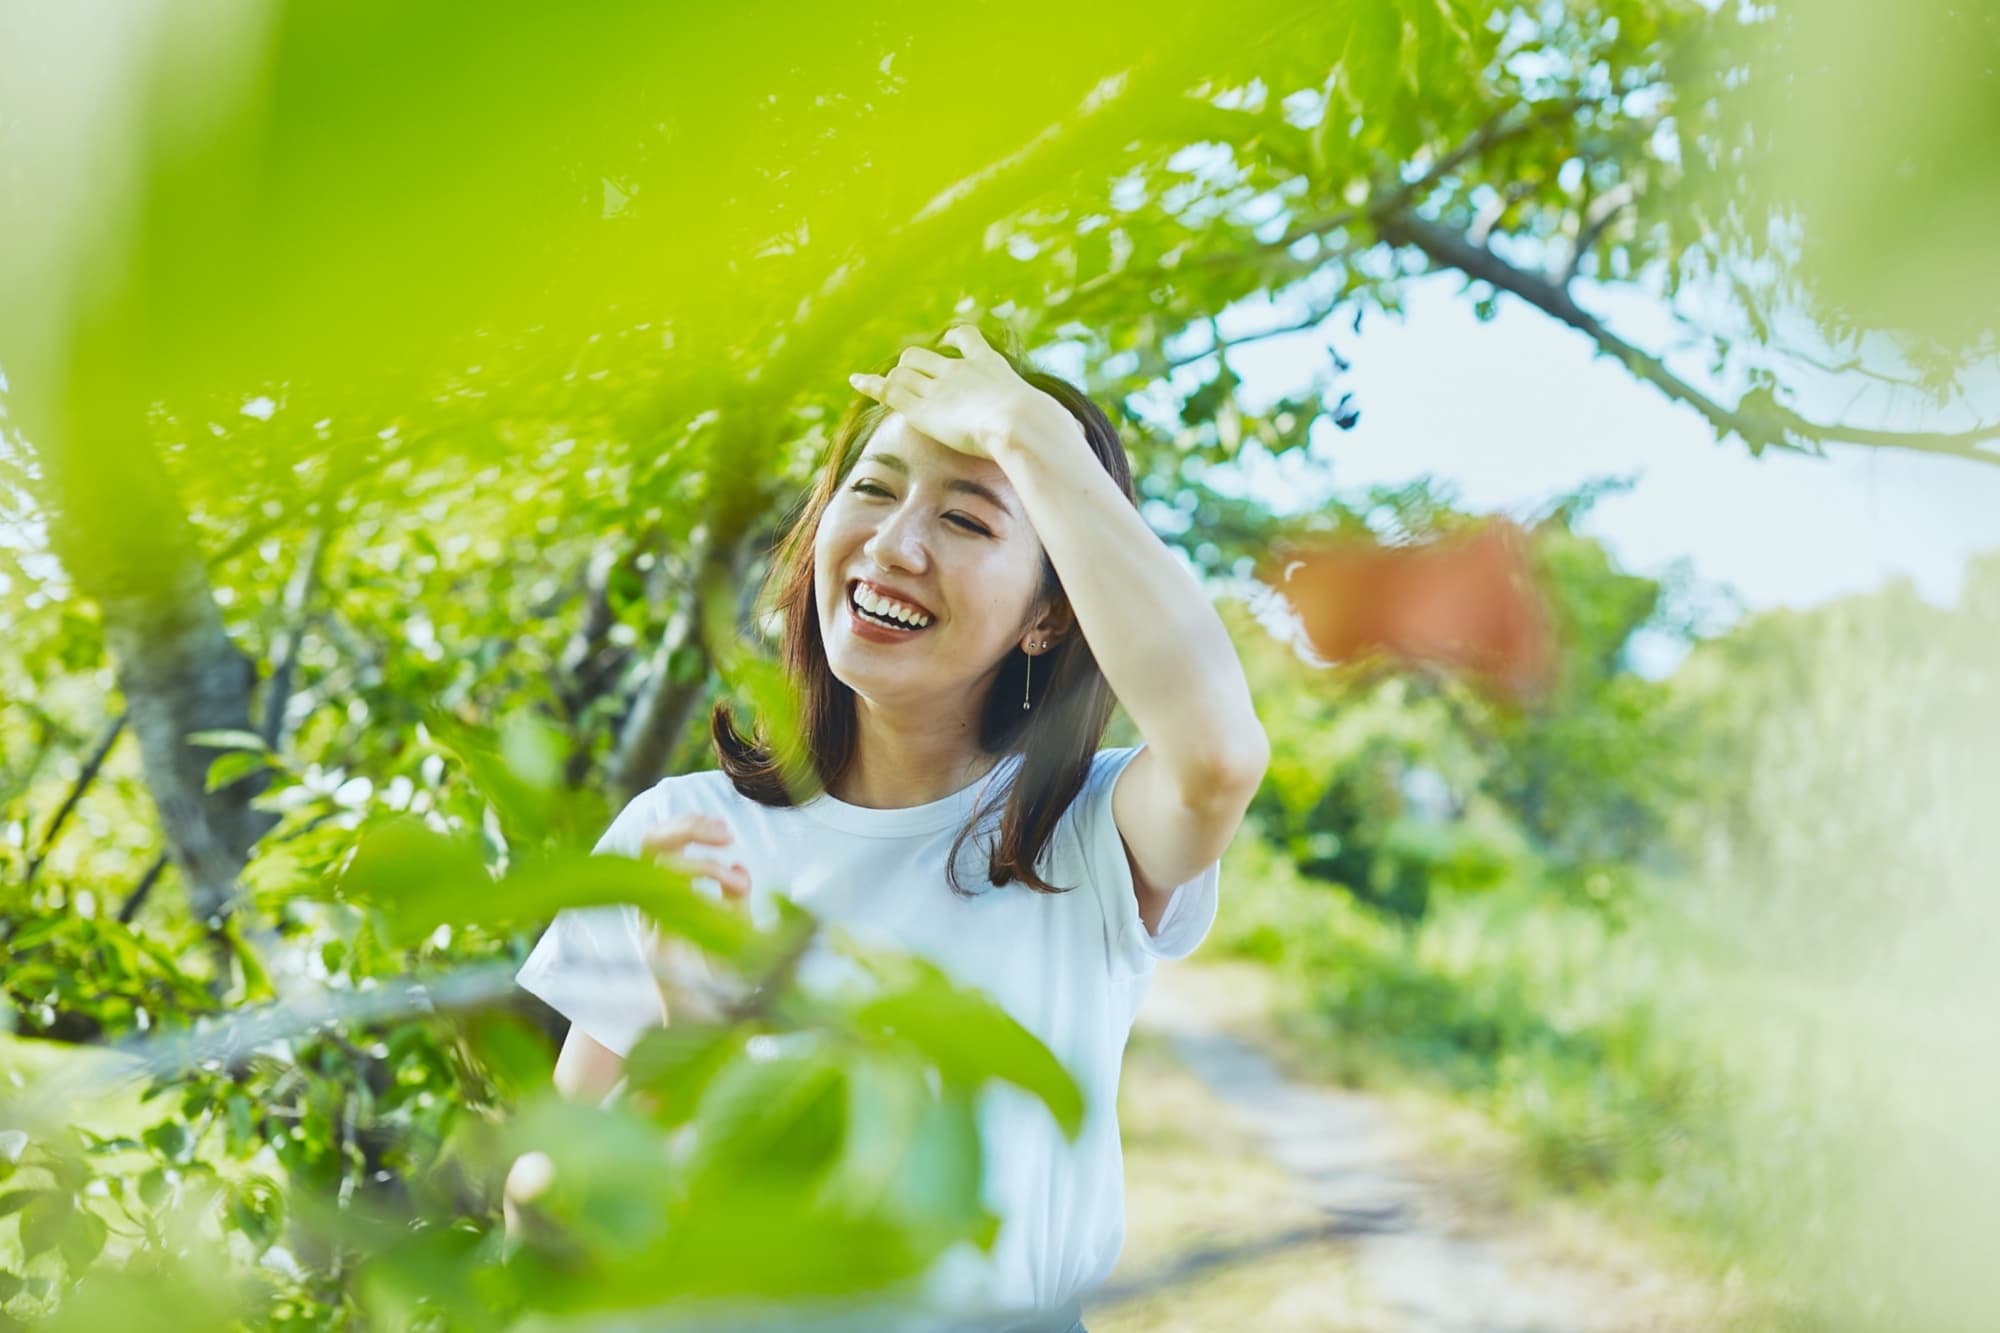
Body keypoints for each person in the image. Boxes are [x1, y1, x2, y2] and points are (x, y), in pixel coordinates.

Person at [510, 323, 1270, 1331]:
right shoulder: (681, 828)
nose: (894, 545)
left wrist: (1023, 426)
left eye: (966, 519)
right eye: (871, 490)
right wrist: (681, 1045)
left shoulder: (1088, 831)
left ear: (1047, 617)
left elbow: (1218, 754)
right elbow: (543, 1235)